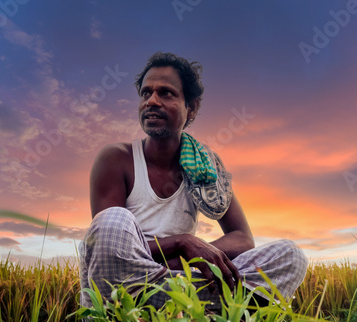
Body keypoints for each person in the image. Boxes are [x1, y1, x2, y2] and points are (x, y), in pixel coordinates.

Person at [79, 52, 308, 310]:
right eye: (145, 93)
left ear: (192, 107)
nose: (151, 101)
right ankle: (205, 308)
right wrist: (182, 243)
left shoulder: (203, 164)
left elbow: (243, 237)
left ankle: (184, 305)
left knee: (290, 256)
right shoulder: (117, 158)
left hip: (182, 281)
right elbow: (107, 243)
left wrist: (198, 255)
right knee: (112, 222)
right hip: (129, 282)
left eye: (166, 93)